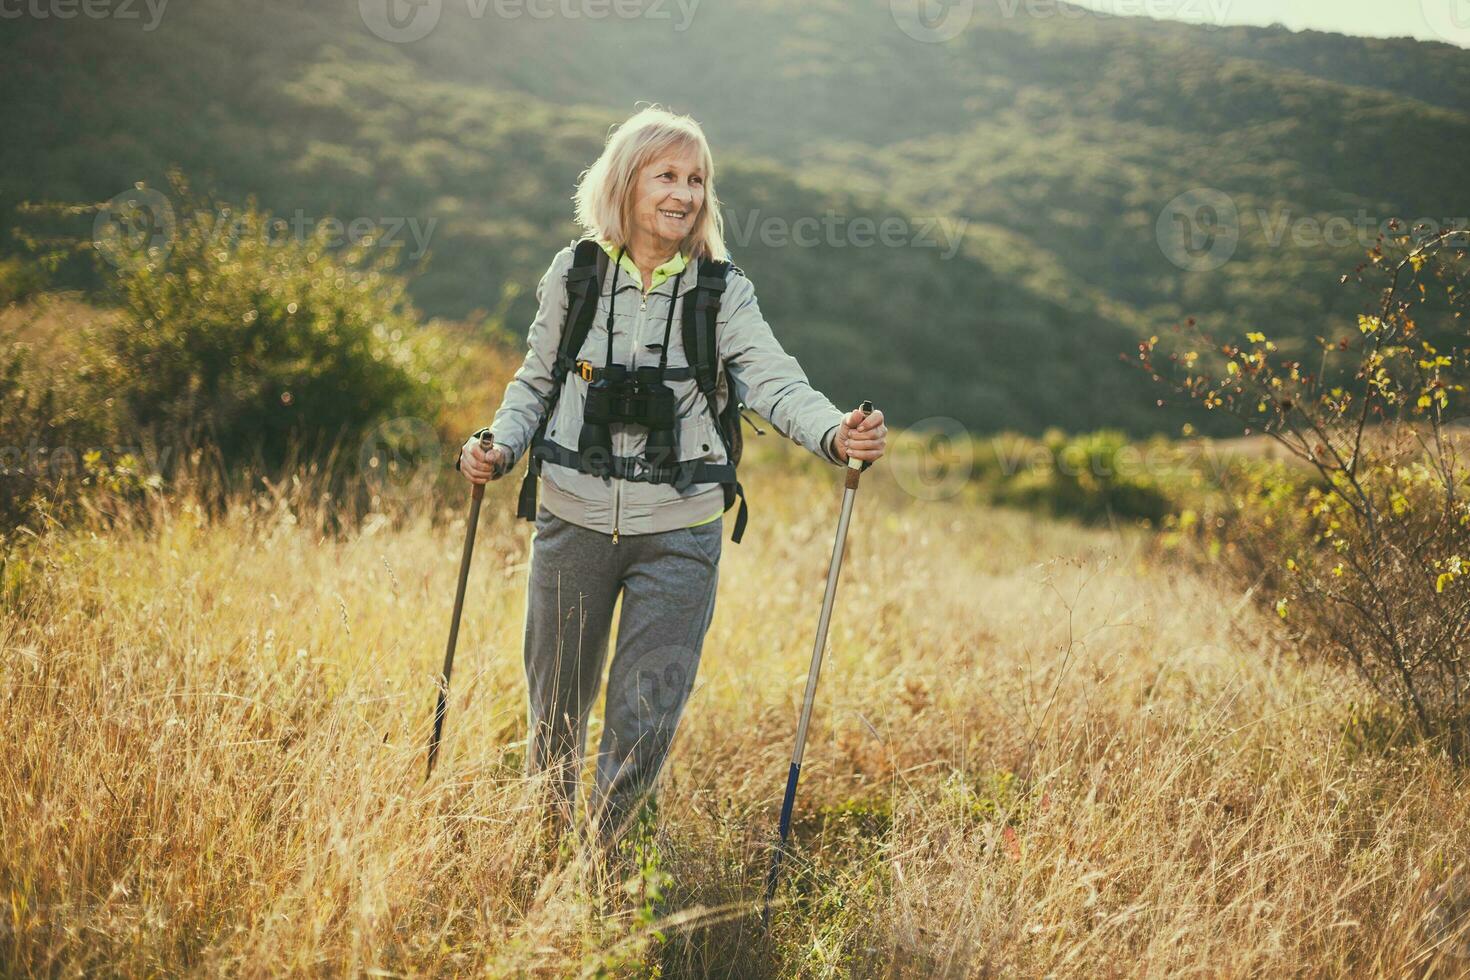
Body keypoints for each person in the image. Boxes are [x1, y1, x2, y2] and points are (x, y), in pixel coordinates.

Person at [457, 105, 886, 846]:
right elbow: (535, 381)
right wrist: (495, 445)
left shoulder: (722, 292)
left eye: (696, 179)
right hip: (573, 518)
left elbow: (772, 380)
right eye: (667, 176)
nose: (685, 193)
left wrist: (832, 431)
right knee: (555, 710)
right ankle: (541, 851)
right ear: (627, 184)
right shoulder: (576, 273)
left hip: (680, 534)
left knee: (643, 718)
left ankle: (606, 866)